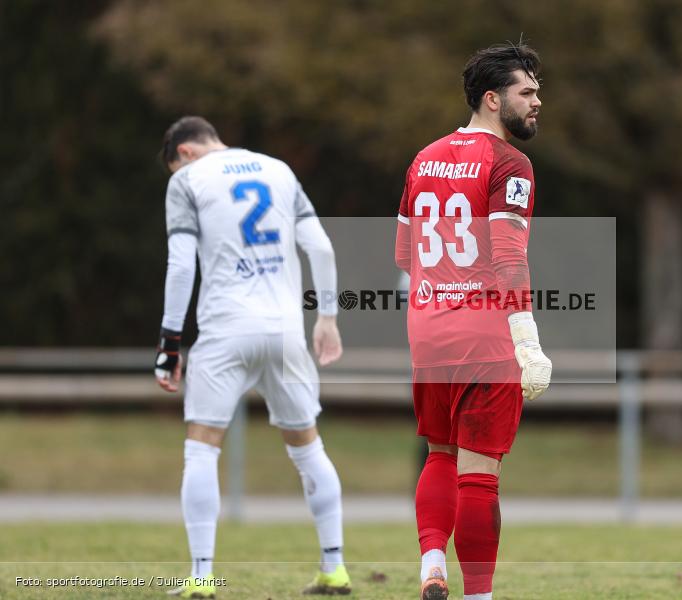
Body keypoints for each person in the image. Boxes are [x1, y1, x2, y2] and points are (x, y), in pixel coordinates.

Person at [153, 116, 351, 597]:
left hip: (226, 329)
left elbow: (181, 266)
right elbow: (320, 247)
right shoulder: (278, 170)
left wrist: (169, 344)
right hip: (284, 331)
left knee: (201, 448)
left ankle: (201, 578)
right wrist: (327, 318)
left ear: (183, 153)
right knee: (308, 449)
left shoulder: (187, 180)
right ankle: (335, 567)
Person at [394, 43, 552, 600]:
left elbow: (405, 256)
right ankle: (478, 597)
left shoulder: (423, 157)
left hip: (428, 333)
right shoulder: (511, 163)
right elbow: (509, 257)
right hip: (484, 336)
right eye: (526, 92)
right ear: (492, 99)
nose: (538, 102)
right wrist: (528, 343)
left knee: (439, 453)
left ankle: (431, 561)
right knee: (479, 473)